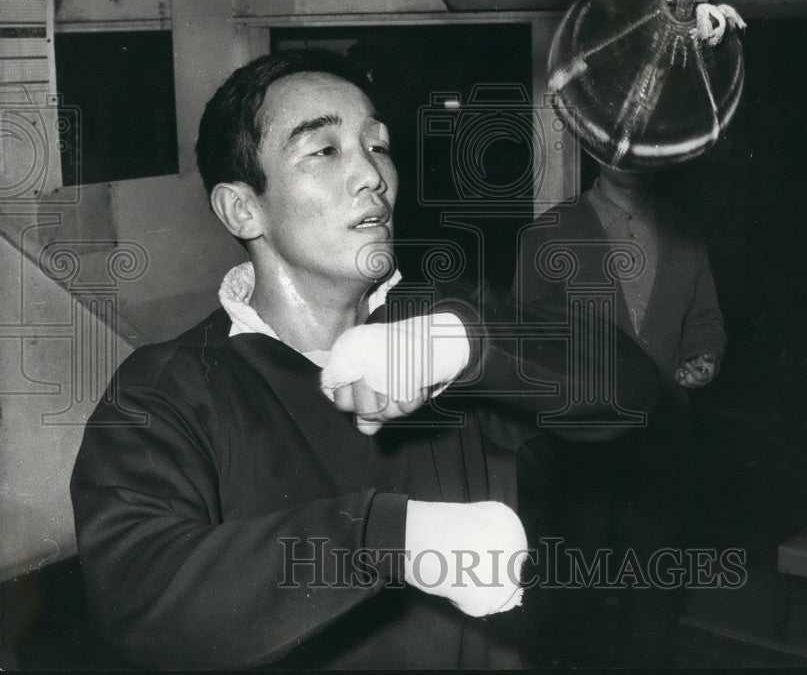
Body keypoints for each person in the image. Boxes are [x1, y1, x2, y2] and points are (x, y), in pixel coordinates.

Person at [69, 50, 663, 670]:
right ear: (243, 209)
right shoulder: (167, 389)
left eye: (378, 146)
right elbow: (136, 597)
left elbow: (634, 390)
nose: (373, 176)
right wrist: (390, 537)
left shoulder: (442, 329)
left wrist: (461, 344)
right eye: (325, 151)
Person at [514, 161, 726, 667]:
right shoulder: (549, 233)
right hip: (576, 450)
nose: (633, 156)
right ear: (595, 140)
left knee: (653, 598)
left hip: (663, 446)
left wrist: (705, 358)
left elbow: (705, 320)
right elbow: (527, 335)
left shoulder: (685, 234)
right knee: (570, 599)